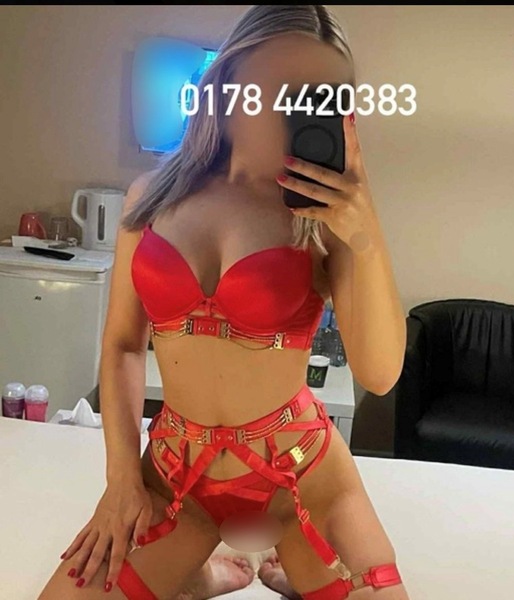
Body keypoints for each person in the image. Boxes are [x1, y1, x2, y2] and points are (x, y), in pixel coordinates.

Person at [38, 5, 409, 599]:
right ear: (228, 85)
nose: (296, 114)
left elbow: (380, 374)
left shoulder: (327, 219)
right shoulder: (152, 197)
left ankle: (287, 571)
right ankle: (201, 575)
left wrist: (364, 233)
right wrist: (121, 480)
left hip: (300, 475)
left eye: (319, 98)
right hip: (175, 476)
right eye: (280, 91)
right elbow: (124, 345)